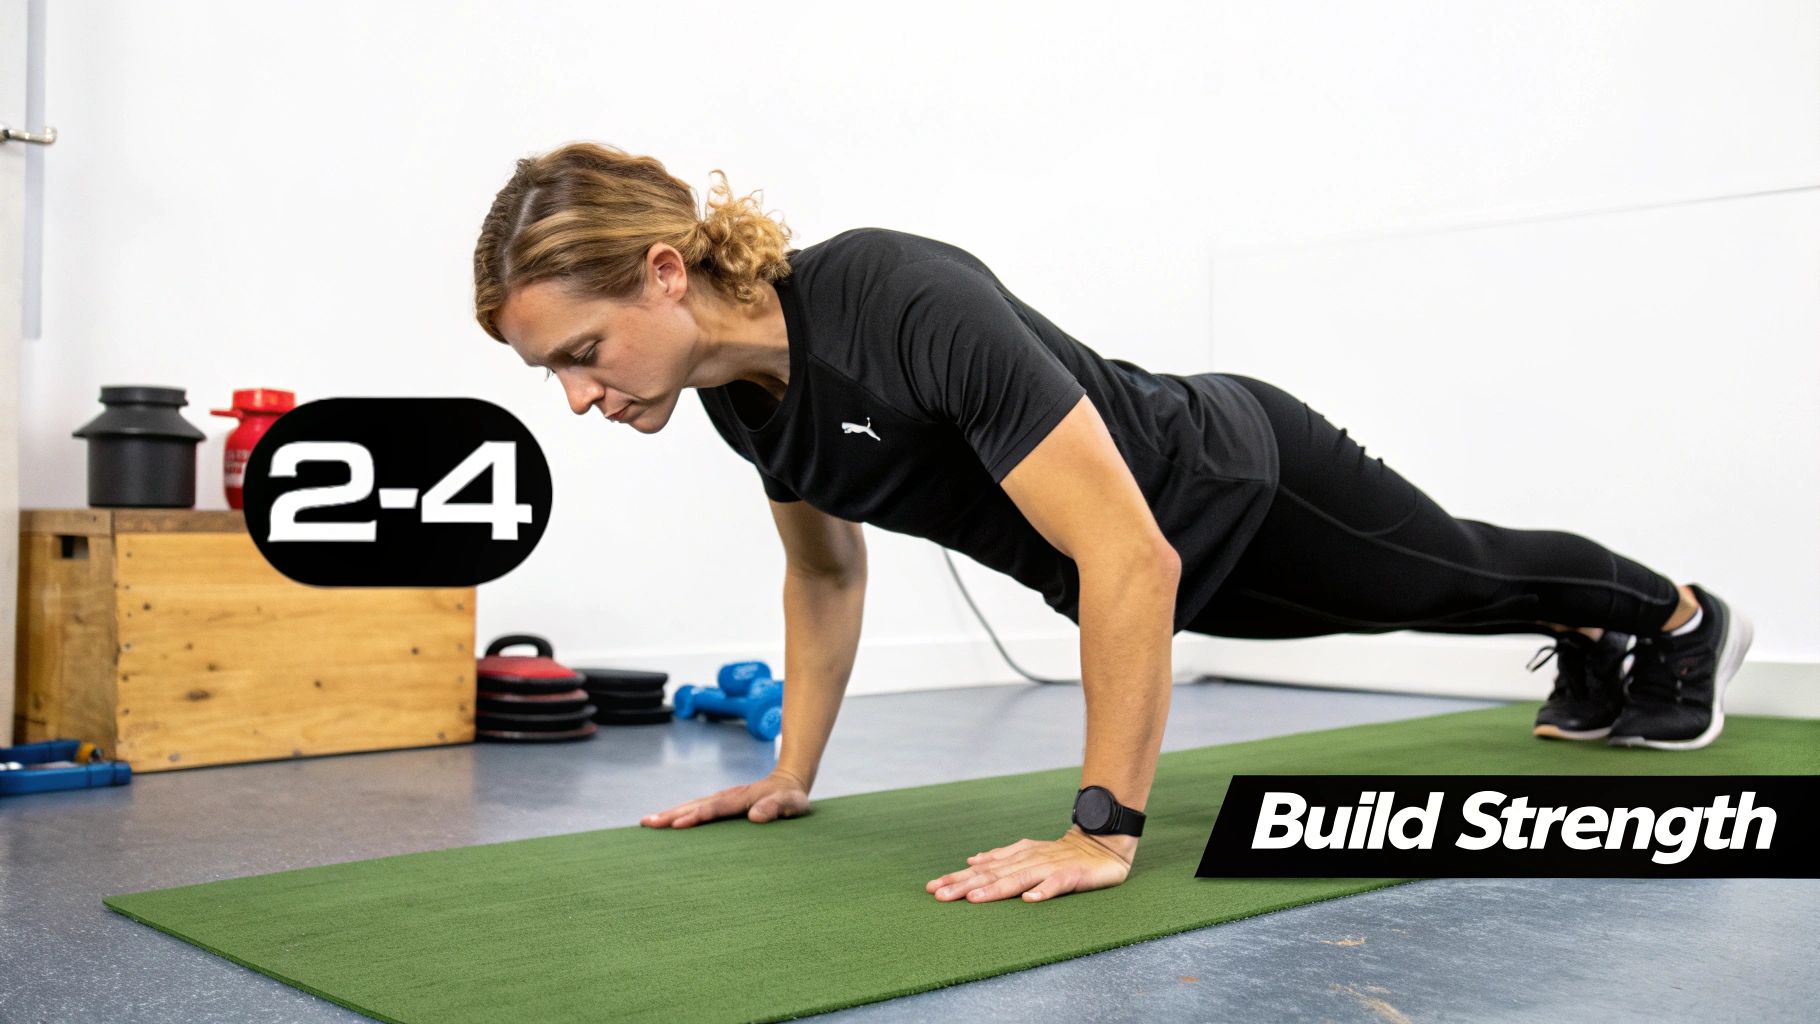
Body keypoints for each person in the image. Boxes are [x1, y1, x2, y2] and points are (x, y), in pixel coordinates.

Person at [472, 142, 1754, 906]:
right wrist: (794, 770)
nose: (580, 397)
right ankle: (1593, 645)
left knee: (1454, 572)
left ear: (661, 273)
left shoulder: (889, 293)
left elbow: (1126, 552)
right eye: (557, 376)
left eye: (581, 354)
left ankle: (1681, 619)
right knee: (1449, 590)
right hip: (1171, 566)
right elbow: (822, 573)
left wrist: (1100, 830)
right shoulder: (741, 406)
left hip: (1238, 481)